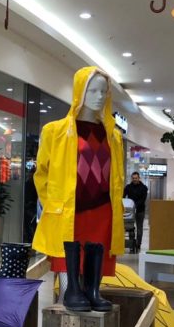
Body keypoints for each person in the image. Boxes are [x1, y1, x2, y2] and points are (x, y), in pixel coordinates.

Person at [33, 67, 124, 313]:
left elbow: (116, 177)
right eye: (92, 90)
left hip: (103, 209)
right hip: (70, 209)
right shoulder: (55, 131)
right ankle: (71, 289)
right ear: (79, 91)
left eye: (103, 91)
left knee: (97, 251)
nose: (98, 96)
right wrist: (52, 203)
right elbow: (41, 172)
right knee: (69, 254)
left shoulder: (113, 136)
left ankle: (94, 291)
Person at [123, 171, 149, 253]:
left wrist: (135, 205)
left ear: (139, 178)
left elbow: (143, 200)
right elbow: (123, 196)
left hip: (140, 210)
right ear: (132, 178)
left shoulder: (144, 188)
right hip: (130, 211)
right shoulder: (128, 187)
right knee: (130, 227)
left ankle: (138, 244)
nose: (134, 180)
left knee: (139, 228)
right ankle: (131, 245)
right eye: (133, 178)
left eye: (136, 178)